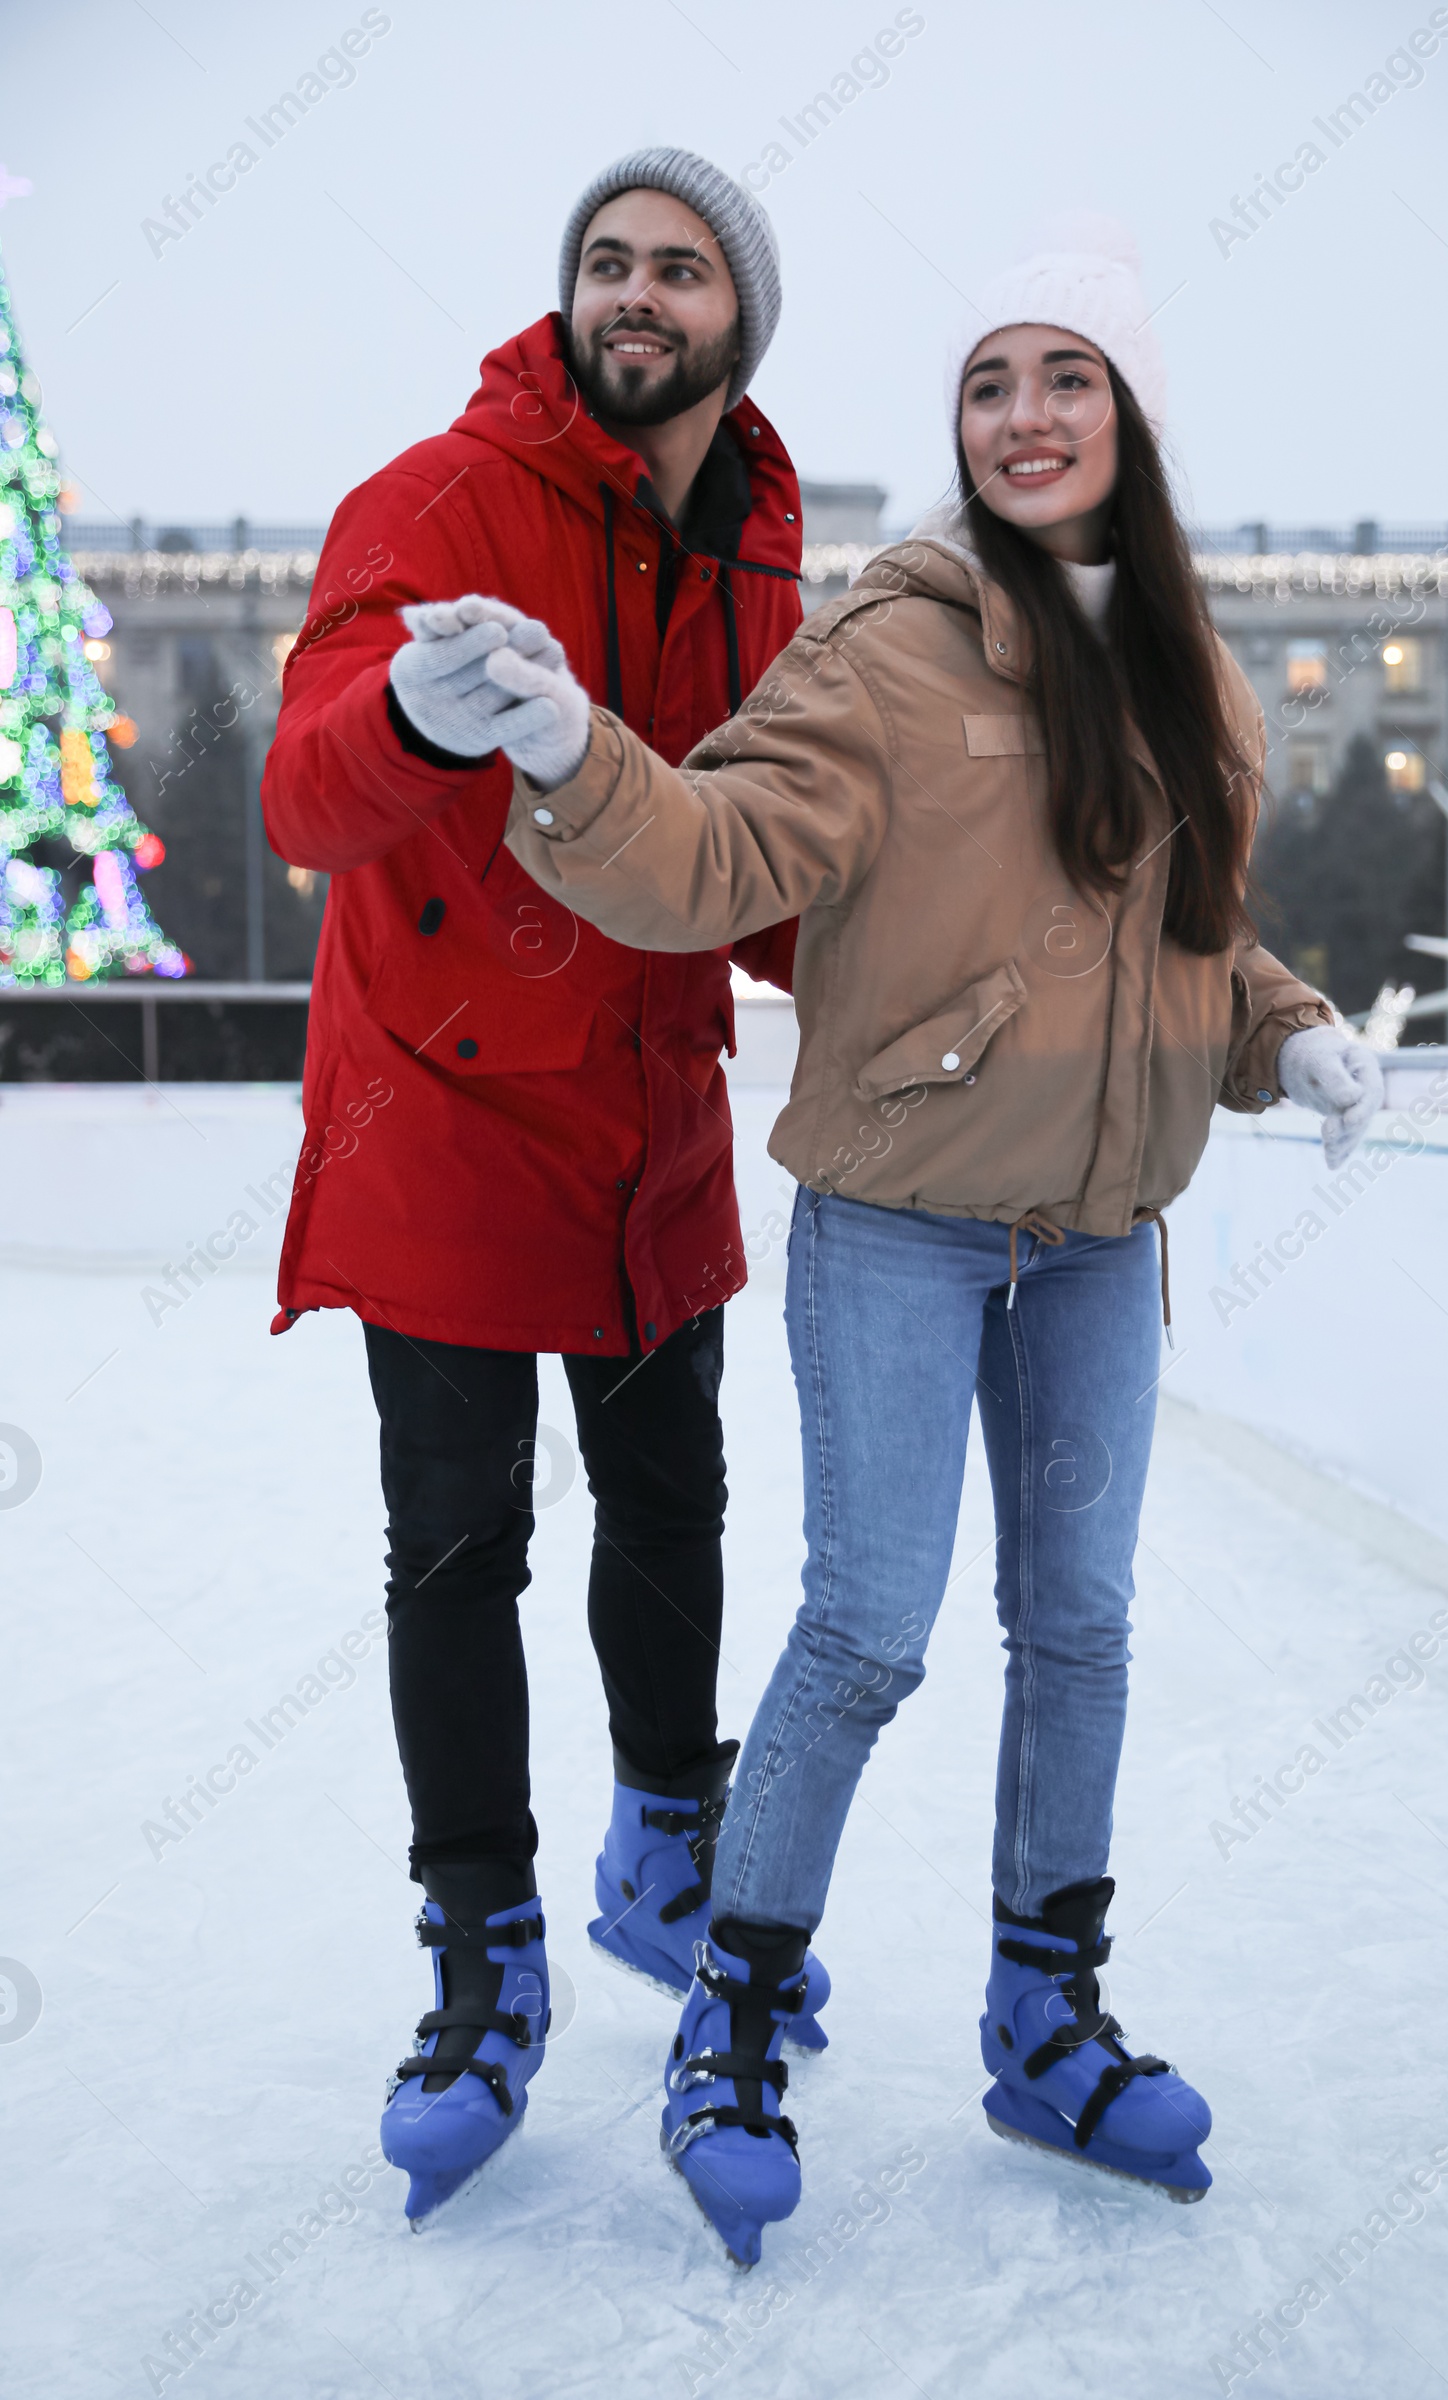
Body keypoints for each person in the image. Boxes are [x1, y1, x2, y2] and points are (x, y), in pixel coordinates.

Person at [401, 217, 1385, 2259]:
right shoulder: (889, 641)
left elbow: (1179, 937)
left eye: (1064, 378)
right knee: (862, 1631)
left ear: (1128, 419)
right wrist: (578, 757)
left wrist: (1278, 1034)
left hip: (1100, 1240)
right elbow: (719, 850)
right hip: (902, 1223)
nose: (1023, 418)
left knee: (1083, 1632)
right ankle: (731, 2020)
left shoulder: (1197, 677)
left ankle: (1046, 2017)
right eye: (987, 384)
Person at [259, 147, 830, 2226]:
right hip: (439, 1104)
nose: (633, 296)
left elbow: (755, 852)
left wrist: (922, 949)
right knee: (455, 1540)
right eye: (607, 262)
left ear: (735, 322)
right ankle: (478, 1947)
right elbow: (305, 783)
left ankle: (658, 1847)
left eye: (677, 270)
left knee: (674, 1498)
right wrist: (408, 711)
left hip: (649, 1112)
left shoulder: (766, 549)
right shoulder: (440, 498)